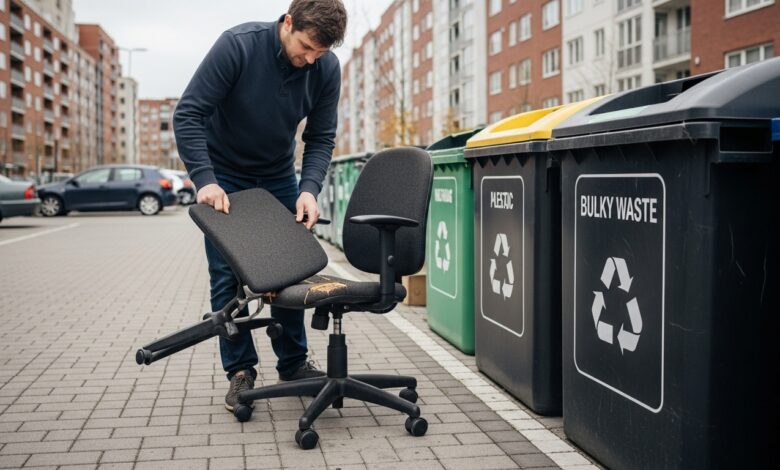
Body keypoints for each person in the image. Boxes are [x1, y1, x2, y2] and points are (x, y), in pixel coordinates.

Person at [173, 0, 347, 412]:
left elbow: (321, 137)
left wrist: (309, 188)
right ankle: (240, 371)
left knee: (290, 267)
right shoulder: (238, 46)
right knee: (227, 276)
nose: (310, 60)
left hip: (278, 176)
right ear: (287, 23)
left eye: (319, 53)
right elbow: (189, 114)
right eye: (306, 47)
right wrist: (205, 179)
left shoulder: (326, 68)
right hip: (223, 174)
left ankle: (292, 363)